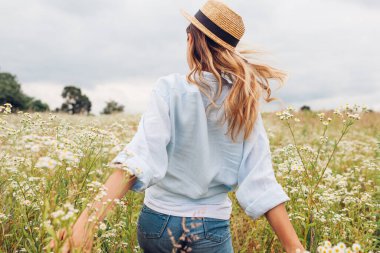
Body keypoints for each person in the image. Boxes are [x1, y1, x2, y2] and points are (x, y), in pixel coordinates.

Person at [49, 0, 306, 252]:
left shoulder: (169, 89)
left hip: (156, 225)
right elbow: (260, 182)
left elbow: (138, 160)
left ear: (191, 41)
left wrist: (83, 227)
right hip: (209, 230)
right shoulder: (243, 103)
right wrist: (294, 247)